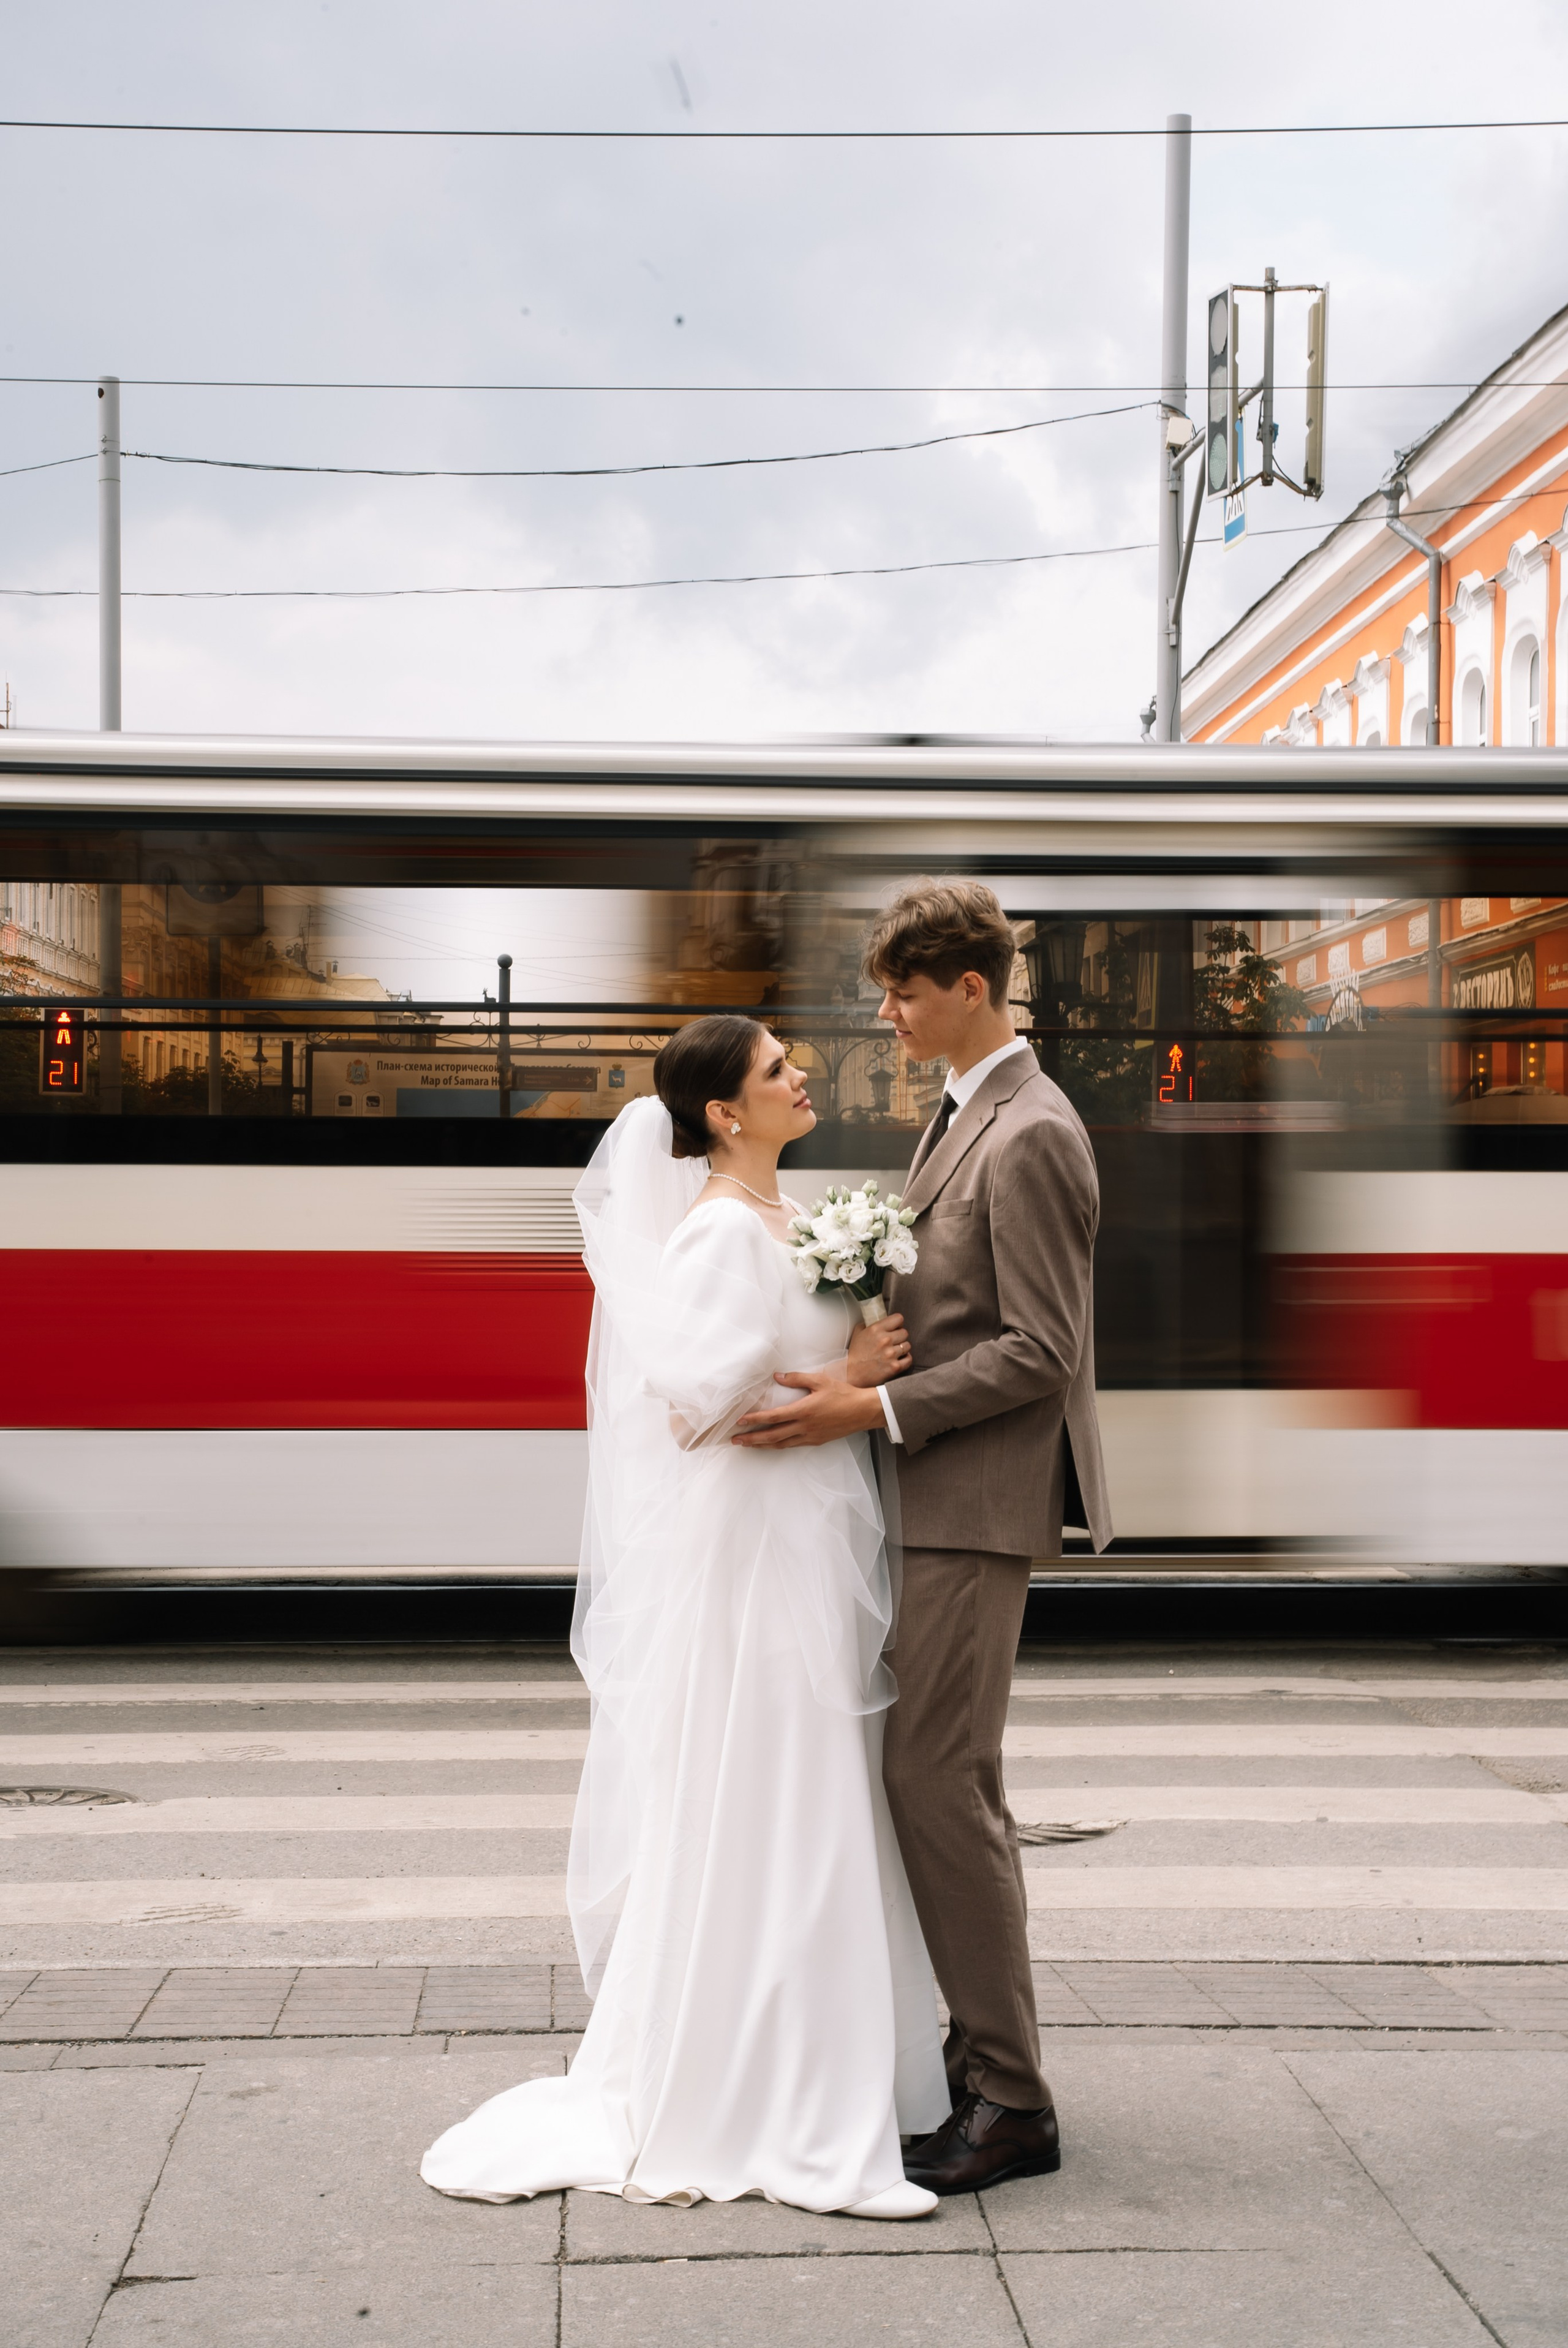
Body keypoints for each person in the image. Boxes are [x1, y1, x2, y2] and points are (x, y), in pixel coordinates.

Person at [421, 1015, 948, 2219]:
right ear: (723, 1112)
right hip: (756, 1554)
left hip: (800, 1541)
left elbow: (771, 1372)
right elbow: (692, 1415)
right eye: (776, 1071)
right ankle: (759, 2098)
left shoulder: (783, 1217)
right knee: (769, 1792)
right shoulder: (718, 1231)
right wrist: (854, 1377)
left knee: (811, 1788)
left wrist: (849, 1361)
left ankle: (823, 2071)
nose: (799, 1077)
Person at [734, 880, 1111, 2194]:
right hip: (934, 1495)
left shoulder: (1030, 1131)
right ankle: (980, 2065)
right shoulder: (967, 1115)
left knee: (932, 1783)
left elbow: (1040, 1351)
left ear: (968, 986)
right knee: (950, 1783)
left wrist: (871, 1404)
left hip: (971, 1500)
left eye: (901, 990)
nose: (885, 1014)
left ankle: (1009, 2100)